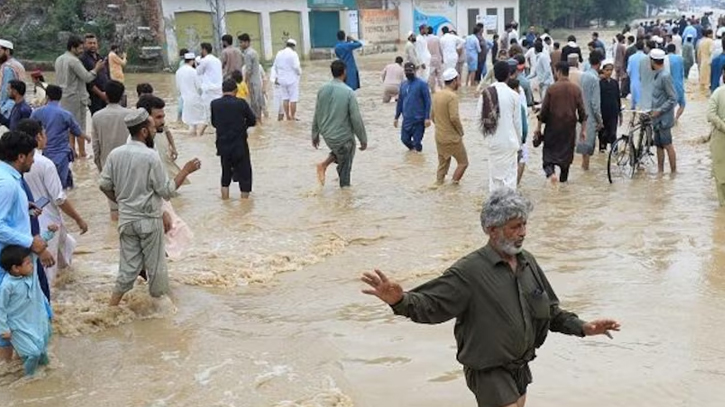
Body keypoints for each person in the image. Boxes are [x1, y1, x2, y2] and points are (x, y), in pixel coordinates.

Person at [361, 188, 621, 407]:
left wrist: (584, 328)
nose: (523, 233)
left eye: (525, 224)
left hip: (520, 367)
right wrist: (399, 300)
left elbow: (550, 311)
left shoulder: (527, 262)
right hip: (487, 370)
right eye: (515, 227)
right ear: (491, 229)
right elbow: (431, 305)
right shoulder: (469, 271)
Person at [99, 108, 201, 306]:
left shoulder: (115, 154)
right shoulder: (150, 156)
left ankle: (111, 307)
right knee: (156, 269)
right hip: (148, 220)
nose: (156, 131)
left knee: (128, 268)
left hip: (126, 220)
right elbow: (167, 190)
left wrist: (121, 202)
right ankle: (161, 315)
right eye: (153, 128)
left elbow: (103, 185)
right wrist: (186, 171)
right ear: (143, 132)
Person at [0, 131, 55, 367]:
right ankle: (7, 368)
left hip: (15, 255)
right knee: (11, 315)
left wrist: (24, 205)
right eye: (32, 155)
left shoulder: (9, 179)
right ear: (21, 156)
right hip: (8, 258)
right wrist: (30, 241)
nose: (34, 159)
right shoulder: (7, 185)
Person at [17, 119, 87, 286]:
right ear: (38, 137)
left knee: (66, 249)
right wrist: (79, 219)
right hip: (49, 224)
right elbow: (59, 198)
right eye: (44, 133)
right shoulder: (45, 164)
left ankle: (69, 288)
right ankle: (54, 302)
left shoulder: (15, 163)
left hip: (32, 221)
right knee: (48, 270)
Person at [311, 60, 368, 188]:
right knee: (348, 150)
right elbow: (356, 119)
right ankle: (344, 197)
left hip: (327, 135)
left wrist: (315, 134)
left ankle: (324, 165)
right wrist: (363, 140)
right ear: (344, 72)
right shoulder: (349, 92)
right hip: (343, 139)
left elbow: (317, 112)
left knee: (342, 151)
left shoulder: (322, 90)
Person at [0, 243, 53, 376]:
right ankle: (29, 379)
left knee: (42, 352)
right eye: (28, 263)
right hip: (17, 326)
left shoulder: (30, 275)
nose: (32, 265)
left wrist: (49, 233)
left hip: (34, 320)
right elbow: (1, 308)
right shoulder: (7, 286)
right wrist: (3, 328)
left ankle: (46, 375)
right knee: (33, 353)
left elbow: (37, 249)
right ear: (16, 269)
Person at [534, 62, 587, 184]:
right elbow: (582, 112)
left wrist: (538, 128)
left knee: (548, 158)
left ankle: (551, 174)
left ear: (558, 72)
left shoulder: (552, 89)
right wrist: (583, 130)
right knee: (565, 161)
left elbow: (543, 112)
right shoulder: (576, 89)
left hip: (553, 128)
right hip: (569, 130)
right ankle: (563, 184)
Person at [55, 35, 104, 158]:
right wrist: (96, 69)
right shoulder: (74, 61)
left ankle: (72, 152)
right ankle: (82, 153)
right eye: (80, 48)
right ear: (73, 48)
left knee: (69, 125)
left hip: (64, 97)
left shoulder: (59, 59)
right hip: (76, 97)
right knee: (79, 126)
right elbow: (87, 77)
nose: (82, 51)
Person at [30, 85, 88, 189]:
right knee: (62, 185)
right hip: (62, 154)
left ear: (47, 97)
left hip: (46, 153)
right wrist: (87, 137)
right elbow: (77, 131)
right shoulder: (66, 114)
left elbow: (28, 127)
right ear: (60, 97)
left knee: (48, 183)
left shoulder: (37, 112)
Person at [90, 80, 133, 220]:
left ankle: (114, 238)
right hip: (130, 163)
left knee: (114, 207)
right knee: (132, 203)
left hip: (108, 164)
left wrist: (99, 165)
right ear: (122, 96)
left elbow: (95, 146)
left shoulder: (97, 116)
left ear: (106, 95)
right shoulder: (130, 115)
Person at [479, 61, 522, 191]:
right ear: (509, 75)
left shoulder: (485, 94)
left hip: (493, 142)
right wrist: (519, 142)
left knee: (495, 179)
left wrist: (486, 139)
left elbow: (479, 120)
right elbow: (517, 123)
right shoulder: (514, 95)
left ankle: (494, 207)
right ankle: (508, 208)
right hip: (510, 143)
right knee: (509, 180)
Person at [211, 79, 257, 199]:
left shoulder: (214, 104)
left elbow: (214, 123)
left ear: (222, 90)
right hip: (239, 145)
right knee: (245, 175)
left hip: (222, 145)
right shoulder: (241, 103)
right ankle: (244, 205)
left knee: (225, 175)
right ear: (236, 91)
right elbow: (252, 121)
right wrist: (242, 126)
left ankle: (225, 202)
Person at [431, 68, 468, 185]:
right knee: (463, 163)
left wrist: (441, 126)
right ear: (454, 81)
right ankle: (453, 186)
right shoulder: (452, 97)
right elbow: (454, 118)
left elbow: (432, 116)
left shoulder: (437, 95)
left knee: (443, 164)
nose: (459, 83)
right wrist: (460, 131)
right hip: (452, 138)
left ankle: (439, 185)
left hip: (439, 136)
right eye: (458, 80)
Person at [649, 49, 677, 174]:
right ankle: (660, 172)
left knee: (667, 144)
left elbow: (673, 98)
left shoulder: (665, 76)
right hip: (656, 118)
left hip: (664, 118)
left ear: (652, 61)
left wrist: (659, 110)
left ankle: (673, 172)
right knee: (659, 145)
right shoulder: (657, 75)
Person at [394, 63, 432, 152]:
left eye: (410, 71)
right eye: (406, 71)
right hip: (407, 119)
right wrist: (396, 117)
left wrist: (427, 118)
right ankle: (413, 153)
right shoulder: (403, 85)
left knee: (417, 142)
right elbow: (400, 102)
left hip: (419, 119)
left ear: (415, 71)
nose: (408, 73)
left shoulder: (422, 84)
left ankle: (418, 158)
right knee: (404, 140)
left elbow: (428, 101)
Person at [576, 52, 603, 171]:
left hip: (581, 115)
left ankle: (583, 170)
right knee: (588, 149)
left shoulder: (582, 76)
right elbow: (595, 104)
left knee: (583, 147)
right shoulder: (594, 79)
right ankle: (585, 171)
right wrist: (600, 120)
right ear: (599, 64)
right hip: (591, 117)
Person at [79, 33, 110, 116]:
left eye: (94, 43)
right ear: (84, 45)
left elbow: (107, 75)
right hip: (93, 97)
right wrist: (101, 94)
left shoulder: (101, 58)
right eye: (90, 43)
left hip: (106, 94)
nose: (92, 45)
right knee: (97, 119)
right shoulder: (83, 59)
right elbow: (88, 82)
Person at [707, 66, 725, 206]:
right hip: (719, 136)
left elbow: (711, 115)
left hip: (720, 137)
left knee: (720, 174)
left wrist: (722, 126)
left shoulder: (717, 93)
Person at [176, 52, 206, 136]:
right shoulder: (193, 71)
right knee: (201, 122)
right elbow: (199, 87)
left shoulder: (178, 71)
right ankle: (196, 141)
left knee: (191, 124)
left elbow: (178, 87)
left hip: (185, 100)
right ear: (192, 61)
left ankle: (190, 143)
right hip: (195, 99)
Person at [272, 39, 302, 121]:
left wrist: (277, 76)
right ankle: (292, 117)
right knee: (293, 98)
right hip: (292, 79)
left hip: (282, 79)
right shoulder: (293, 54)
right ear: (293, 46)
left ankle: (287, 116)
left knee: (285, 98)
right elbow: (296, 67)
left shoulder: (279, 53)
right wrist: (299, 72)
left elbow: (276, 66)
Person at [239, 33, 266, 122]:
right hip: (257, 81)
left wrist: (245, 83)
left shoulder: (248, 54)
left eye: (242, 42)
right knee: (258, 102)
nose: (240, 44)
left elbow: (248, 70)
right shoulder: (254, 52)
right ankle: (260, 122)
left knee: (254, 103)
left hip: (252, 82)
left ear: (247, 42)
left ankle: (258, 123)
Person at [197, 43, 223, 130]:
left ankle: (198, 136)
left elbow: (198, 72)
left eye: (201, 49)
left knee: (207, 116)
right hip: (219, 90)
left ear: (204, 50)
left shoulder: (205, 60)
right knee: (219, 114)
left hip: (209, 91)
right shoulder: (217, 60)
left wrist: (198, 62)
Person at [599, 60, 622, 152]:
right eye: (607, 70)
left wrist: (620, 113)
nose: (609, 72)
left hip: (613, 111)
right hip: (603, 112)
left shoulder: (615, 83)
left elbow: (618, 97)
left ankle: (614, 151)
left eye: (611, 70)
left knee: (613, 132)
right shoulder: (600, 83)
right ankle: (602, 150)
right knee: (603, 133)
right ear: (603, 70)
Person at [0, 39, 25, 116]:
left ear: (7, 51)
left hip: (8, 108)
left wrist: (2, 110)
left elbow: (5, 92)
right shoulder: (16, 64)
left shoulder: (8, 68)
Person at [664, 44, 687, 123]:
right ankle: (676, 119)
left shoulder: (665, 59)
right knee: (682, 104)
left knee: (670, 105)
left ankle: (669, 120)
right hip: (679, 85)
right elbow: (682, 73)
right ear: (674, 50)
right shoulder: (680, 59)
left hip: (669, 85)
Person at [627, 41, 646, 108]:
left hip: (634, 82)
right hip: (644, 83)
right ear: (644, 47)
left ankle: (633, 117)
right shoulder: (646, 58)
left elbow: (628, 71)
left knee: (633, 102)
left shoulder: (631, 58)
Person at [426, 26, 444, 91]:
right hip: (438, 58)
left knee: (431, 75)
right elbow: (440, 49)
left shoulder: (426, 39)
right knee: (439, 74)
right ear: (433, 31)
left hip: (430, 59)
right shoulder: (437, 38)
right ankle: (442, 88)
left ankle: (432, 90)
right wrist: (442, 58)